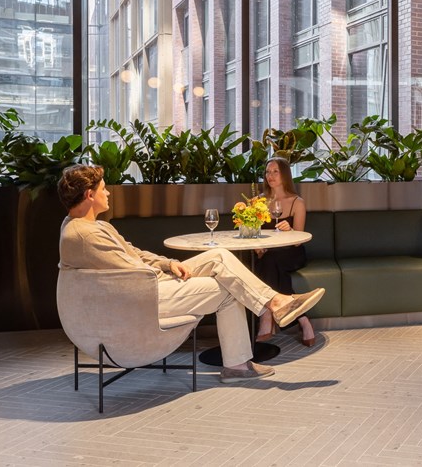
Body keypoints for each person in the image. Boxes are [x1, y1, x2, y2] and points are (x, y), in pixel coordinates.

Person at [57, 164, 325, 383]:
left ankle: (274, 304)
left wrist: (168, 264)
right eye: (104, 189)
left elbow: (135, 253)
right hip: (147, 296)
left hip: (152, 281)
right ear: (90, 195)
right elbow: (129, 274)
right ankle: (240, 361)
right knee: (226, 287)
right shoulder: (84, 235)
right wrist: (163, 275)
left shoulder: (91, 226)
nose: (109, 194)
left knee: (219, 256)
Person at [253, 157, 314, 346]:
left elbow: (298, 241)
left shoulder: (297, 202)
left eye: (275, 172)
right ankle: (302, 320)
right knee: (268, 261)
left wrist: (291, 231)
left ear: (285, 175)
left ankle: (267, 318)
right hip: (267, 254)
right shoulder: (258, 202)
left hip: (291, 253)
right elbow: (252, 232)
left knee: (269, 261)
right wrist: (257, 246)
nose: (270, 176)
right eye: (267, 172)